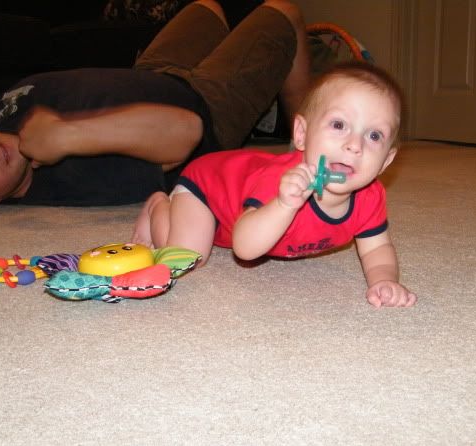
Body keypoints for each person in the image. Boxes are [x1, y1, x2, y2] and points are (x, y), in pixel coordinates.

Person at [0, 0, 310, 215]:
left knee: (206, 8)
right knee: (284, 14)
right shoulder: (67, 181)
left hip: (153, 72)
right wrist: (68, 134)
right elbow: (188, 130)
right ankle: (307, 150)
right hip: (208, 104)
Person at [131, 62, 417, 308]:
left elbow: (377, 248)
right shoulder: (282, 182)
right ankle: (159, 204)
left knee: (206, 240)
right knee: (188, 257)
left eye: (374, 136)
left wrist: (384, 280)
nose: (354, 145)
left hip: (234, 209)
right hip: (207, 187)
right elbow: (245, 249)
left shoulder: (370, 197)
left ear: (386, 161)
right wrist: (283, 205)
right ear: (302, 134)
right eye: (339, 125)